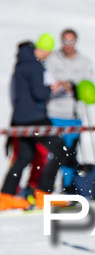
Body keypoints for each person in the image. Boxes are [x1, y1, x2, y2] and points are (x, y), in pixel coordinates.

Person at [0, 34, 70, 211]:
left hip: (19, 119)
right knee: (60, 149)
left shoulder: (21, 63)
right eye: (49, 51)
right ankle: (43, 194)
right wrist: (54, 88)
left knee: (23, 157)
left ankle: (6, 197)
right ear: (45, 49)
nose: (49, 55)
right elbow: (40, 94)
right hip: (35, 119)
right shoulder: (35, 66)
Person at [45, 28, 95, 193]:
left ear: (76, 42)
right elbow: (46, 82)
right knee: (52, 154)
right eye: (65, 41)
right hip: (53, 114)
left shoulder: (85, 62)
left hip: (73, 116)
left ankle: (67, 187)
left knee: (70, 155)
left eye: (71, 41)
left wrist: (73, 86)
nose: (68, 45)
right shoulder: (52, 59)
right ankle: (46, 187)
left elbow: (88, 87)